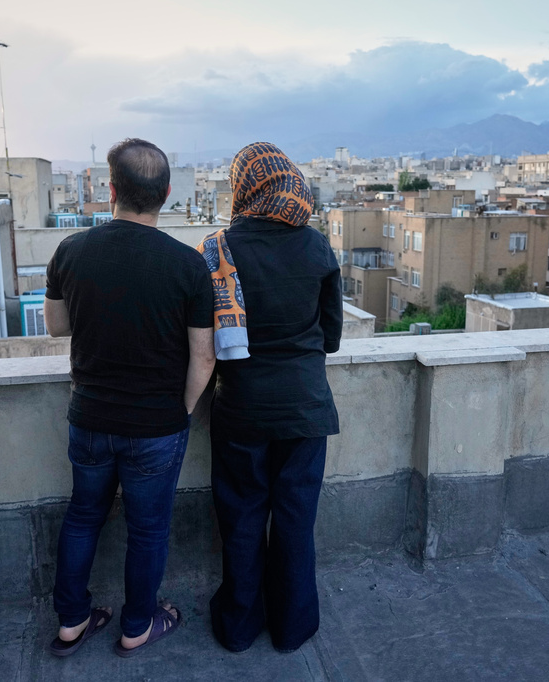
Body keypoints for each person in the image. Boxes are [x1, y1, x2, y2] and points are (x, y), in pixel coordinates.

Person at [43, 138, 216, 658]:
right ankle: (137, 625)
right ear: (164, 193)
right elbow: (203, 359)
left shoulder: (71, 250)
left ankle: (72, 621)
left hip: (90, 416)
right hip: (156, 426)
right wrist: (179, 411)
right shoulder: (189, 266)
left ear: (110, 189)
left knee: (82, 515)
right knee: (148, 529)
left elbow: (56, 327)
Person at [201, 141, 342, 654]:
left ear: (244, 184)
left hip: (242, 406)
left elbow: (206, 337)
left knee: (241, 518)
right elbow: (331, 334)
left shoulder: (219, 248)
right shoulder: (317, 246)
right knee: (295, 520)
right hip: (306, 407)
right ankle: (292, 626)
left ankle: (238, 627)